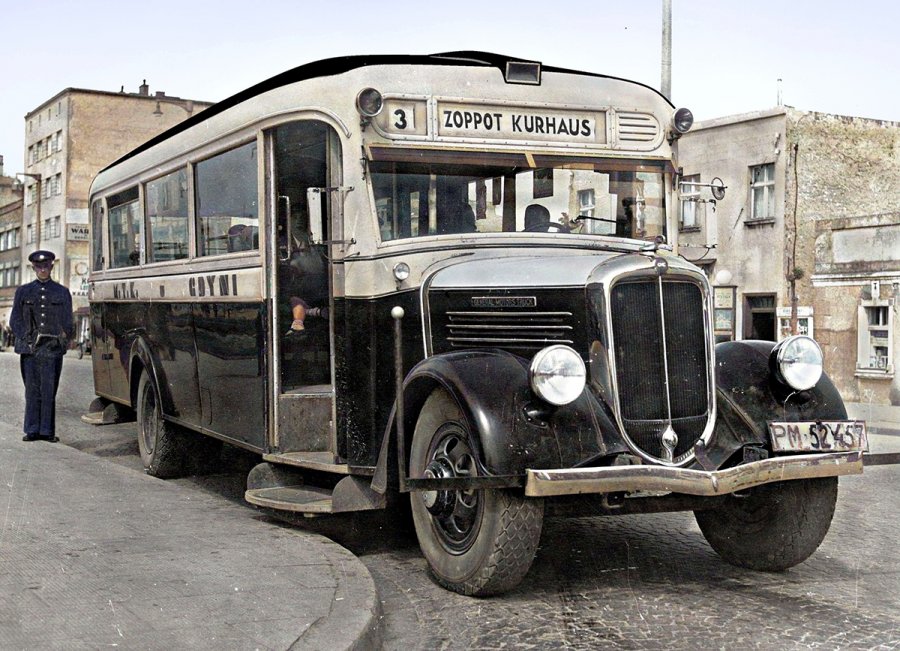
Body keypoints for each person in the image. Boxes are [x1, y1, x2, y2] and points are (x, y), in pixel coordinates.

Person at [10, 250, 74, 443]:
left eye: (46, 266)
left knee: (49, 390)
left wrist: (62, 339)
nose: (43, 270)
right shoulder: (23, 291)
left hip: (52, 349)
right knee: (31, 390)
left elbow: (68, 322)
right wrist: (26, 339)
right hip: (30, 349)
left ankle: (47, 431)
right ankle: (32, 430)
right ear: (33, 268)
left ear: (52, 267)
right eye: (39, 267)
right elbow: (15, 320)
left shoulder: (61, 292)